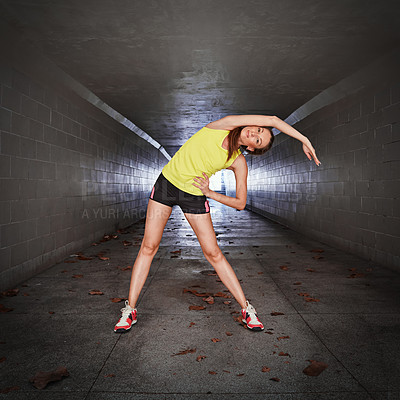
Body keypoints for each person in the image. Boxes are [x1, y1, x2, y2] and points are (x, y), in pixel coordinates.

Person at [114, 115, 320, 333]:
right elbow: (273, 119)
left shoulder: (238, 162)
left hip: (194, 195)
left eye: (258, 140)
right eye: (259, 129)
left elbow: (241, 203)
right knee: (149, 246)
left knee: (213, 253)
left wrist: (210, 193)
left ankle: (247, 309)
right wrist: (304, 139)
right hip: (166, 185)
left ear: (251, 149)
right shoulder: (223, 125)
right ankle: (130, 310)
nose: (255, 133)